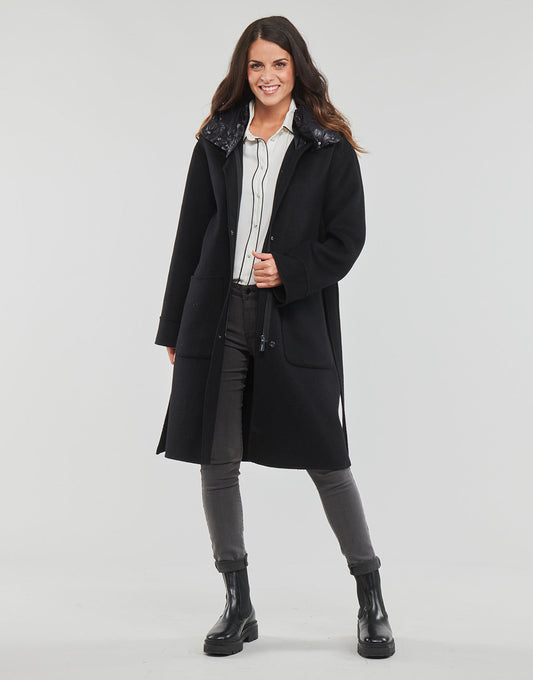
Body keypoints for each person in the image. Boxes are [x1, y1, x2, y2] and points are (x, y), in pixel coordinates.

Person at [154, 15, 395, 659]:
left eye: (279, 65)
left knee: (327, 456)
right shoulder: (219, 139)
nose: (267, 76)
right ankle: (238, 602)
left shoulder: (325, 146)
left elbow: (347, 239)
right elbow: (191, 233)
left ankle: (370, 595)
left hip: (291, 319)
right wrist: (175, 325)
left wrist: (289, 269)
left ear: (297, 70)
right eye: (256, 65)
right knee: (217, 457)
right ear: (244, 70)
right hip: (218, 315)